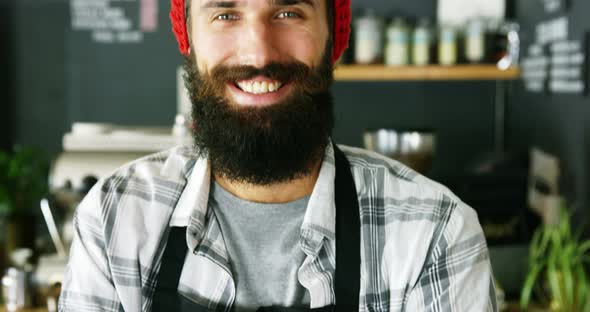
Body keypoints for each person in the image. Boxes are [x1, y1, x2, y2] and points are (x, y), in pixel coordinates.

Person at [59, 0, 498, 311]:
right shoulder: (115, 219)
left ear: (333, 37)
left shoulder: (432, 233)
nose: (259, 52)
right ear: (189, 38)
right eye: (225, 13)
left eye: (289, 12)